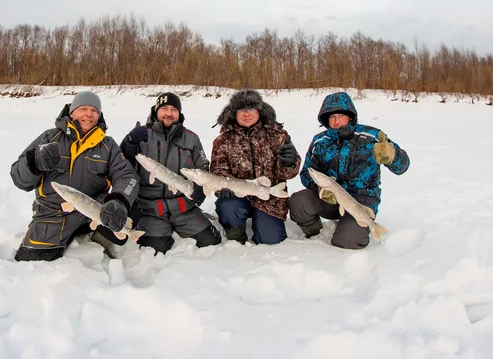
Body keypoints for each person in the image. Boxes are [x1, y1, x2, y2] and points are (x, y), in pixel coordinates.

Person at [10, 91, 139, 261]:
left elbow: (128, 177)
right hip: (53, 214)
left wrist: (119, 200)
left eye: (94, 110)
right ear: (72, 112)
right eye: (83, 109)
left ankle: (98, 242)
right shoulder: (50, 137)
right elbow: (19, 179)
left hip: (92, 210)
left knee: (130, 210)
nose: (88, 114)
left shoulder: (108, 145)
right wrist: (34, 162)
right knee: (32, 261)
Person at [288, 91, 410, 249]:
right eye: (332, 117)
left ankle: (356, 227)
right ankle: (315, 233)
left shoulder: (371, 136)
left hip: (361, 203)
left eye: (340, 115)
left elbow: (403, 167)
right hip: (330, 198)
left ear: (350, 116)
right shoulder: (320, 141)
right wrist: (321, 189)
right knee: (298, 201)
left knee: (348, 241)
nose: (336, 121)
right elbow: (307, 173)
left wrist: (393, 156)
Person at [120, 92, 221, 254]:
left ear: (179, 113)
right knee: (156, 248)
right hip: (150, 207)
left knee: (211, 241)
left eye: (174, 109)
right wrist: (129, 142)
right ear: (156, 111)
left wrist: (200, 187)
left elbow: (202, 167)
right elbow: (123, 165)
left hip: (183, 206)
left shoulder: (191, 138)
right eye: (164, 108)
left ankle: (200, 219)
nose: (169, 113)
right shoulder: (142, 134)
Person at [210, 89, 300, 244]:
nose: (246, 114)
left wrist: (289, 163)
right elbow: (218, 171)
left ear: (259, 110)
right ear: (234, 113)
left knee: (271, 241)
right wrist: (224, 187)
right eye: (241, 110)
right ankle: (236, 236)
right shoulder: (223, 140)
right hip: (238, 197)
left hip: (269, 199)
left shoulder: (278, 135)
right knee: (227, 206)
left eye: (251, 109)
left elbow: (288, 175)